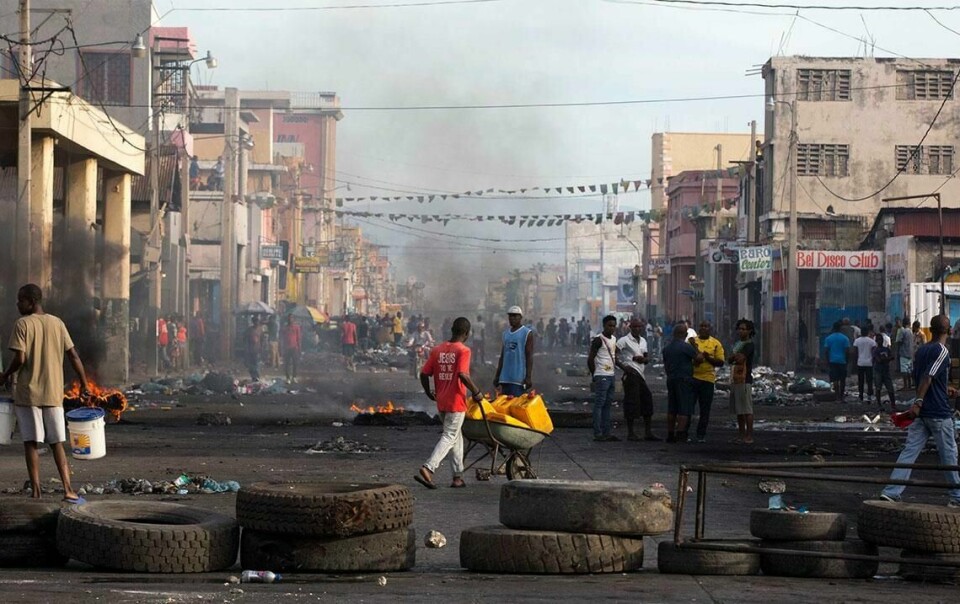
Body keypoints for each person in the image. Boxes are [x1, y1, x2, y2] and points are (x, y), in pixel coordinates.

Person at [0, 284, 89, 504]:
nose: (17, 304)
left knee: (31, 442)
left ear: (31, 301)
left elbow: (20, 359)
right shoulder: (57, 323)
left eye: (21, 300)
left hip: (28, 393)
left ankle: (37, 491)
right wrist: (84, 383)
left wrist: (5, 375)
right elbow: (74, 356)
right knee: (56, 442)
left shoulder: (22, 324)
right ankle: (68, 489)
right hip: (53, 393)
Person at [879, 314, 960, 507]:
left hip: (922, 414)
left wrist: (943, 390)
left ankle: (892, 491)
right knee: (949, 454)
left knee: (909, 452)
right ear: (948, 331)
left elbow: (924, 379)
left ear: (930, 330)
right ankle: (957, 497)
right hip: (938, 413)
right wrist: (919, 401)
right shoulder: (942, 351)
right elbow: (928, 377)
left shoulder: (922, 350)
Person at [414, 317, 484, 490]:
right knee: (449, 436)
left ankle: (457, 477)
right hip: (456, 402)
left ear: (452, 330)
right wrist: (477, 392)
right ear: (467, 334)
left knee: (456, 437)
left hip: (441, 402)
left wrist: (429, 392)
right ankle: (429, 467)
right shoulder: (464, 350)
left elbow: (424, 374)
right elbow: (463, 374)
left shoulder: (437, 350)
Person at [616, 318, 659, 441]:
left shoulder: (644, 341)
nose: (637, 329)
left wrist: (644, 360)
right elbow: (613, 354)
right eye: (634, 327)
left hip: (641, 374)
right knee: (631, 402)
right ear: (630, 328)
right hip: (631, 374)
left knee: (647, 400)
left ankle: (648, 432)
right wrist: (624, 366)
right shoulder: (624, 340)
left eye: (639, 327)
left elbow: (646, 357)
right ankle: (631, 432)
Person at [663, 323, 702, 443]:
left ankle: (670, 434)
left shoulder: (667, 348)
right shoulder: (686, 347)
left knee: (672, 408)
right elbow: (699, 358)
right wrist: (695, 346)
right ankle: (681, 434)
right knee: (684, 409)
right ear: (684, 334)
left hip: (671, 379)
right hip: (684, 380)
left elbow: (666, 364)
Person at [689, 321, 724, 443]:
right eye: (701, 326)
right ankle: (684, 432)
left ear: (710, 329)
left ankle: (701, 435)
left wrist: (708, 358)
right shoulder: (692, 342)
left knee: (705, 409)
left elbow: (720, 362)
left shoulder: (715, 344)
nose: (703, 328)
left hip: (708, 380)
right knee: (688, 407)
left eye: (706, 326)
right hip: (692, 378)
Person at [588, 315, 620, 442]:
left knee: (607, 405)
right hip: (602, 376)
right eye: (609, 325)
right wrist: (594, 375)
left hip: (611, 376)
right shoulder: (598, 340)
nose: (612, 328)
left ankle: (606, 432)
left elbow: (614, 357)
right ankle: (598, 433)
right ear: (604, 326)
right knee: (599, 405)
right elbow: (590, 359)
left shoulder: (614, 339)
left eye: (613, 326)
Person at [493, 306, 534, 396]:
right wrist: (497, 376)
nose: (512, 318)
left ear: (520, 317)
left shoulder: (526, 333)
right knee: (504, 406)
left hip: (518, 379)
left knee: (516, 406)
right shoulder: (505, 334)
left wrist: (528, 377)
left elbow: (529, 356)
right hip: (505, 378)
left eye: (515, 316)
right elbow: (502, 356)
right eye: (510, 316)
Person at [729, 319, 756, 444]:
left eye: (743, 329)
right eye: (739, 328)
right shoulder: (738, 344)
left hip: (745, 379)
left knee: (746, 409)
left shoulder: (749, 344)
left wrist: (735, 357)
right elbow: (730, 359)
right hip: (735, 379)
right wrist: (735, 357)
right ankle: (741, 435)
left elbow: (740, 359)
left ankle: (749, 436)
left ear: (749, 331)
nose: (741, 331)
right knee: (739, 410)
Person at [824, 321, 850, 402]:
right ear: (840, 329)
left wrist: (827, 361)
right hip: (842, 361)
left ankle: (837, 396)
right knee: (842, 380)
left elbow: (826, 351)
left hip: (832, 361)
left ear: (833, 328)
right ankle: (842, 397)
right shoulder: (845, 338)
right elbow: (847, 351)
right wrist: (847, 361)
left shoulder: (828, 338)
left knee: (835, 379)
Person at [873, 332, 897, 411]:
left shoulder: (885, 349)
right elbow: (879, 360)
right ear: (876, 341)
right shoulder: (876, 350)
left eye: (881, 340)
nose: (880, 341)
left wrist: (884, 359)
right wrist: (887, 359)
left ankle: (893, 405)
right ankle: (879, 404)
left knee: (890, 388)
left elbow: (892, 357)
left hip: (885, 371)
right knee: (878, 388)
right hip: (879, 371)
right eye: (878, 340)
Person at [853, 327, 877, 402]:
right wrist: (873, 361)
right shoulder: (871, 341)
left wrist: (855, 361)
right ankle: (869, 394)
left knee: (861, 380)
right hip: (869, 363)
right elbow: (873, 353)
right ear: (867, 333)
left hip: (860, 362)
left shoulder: (857, 341)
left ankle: (861, 395)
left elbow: (855, 352)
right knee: (869, 380)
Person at [897, 320, 918, 391]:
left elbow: (899, 341)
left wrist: (898, 347)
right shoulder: (911, 331)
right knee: (909, 370)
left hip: (904, 352)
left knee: (904, 370)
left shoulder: (902, 331)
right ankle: (909, 385)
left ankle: (905, 386)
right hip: (910, 353)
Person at [281, 314, 302, 384]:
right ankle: (288, 378)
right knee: (287, 364)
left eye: (291, 318)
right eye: (289, 318)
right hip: (287, 348)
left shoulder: (297, 327)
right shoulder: (285, 328)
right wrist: (282, 348)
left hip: (294, 347)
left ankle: (294, 377)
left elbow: (298, 338)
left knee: (295, 363)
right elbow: (283, 338)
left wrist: (299, 348)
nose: (290, 319)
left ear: (293, 319)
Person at [245, 316, 262, 382]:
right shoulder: (249, 330)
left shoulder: (260, 330)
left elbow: (262, 339)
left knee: (256, 364)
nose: (256, 323)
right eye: (255, 322)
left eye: (257, 322)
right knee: (251, 365)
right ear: (253, 322)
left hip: (257, 349)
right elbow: (246, 339)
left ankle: (257, 376)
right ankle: (253, 376)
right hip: (250, 349)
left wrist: (261, 348)